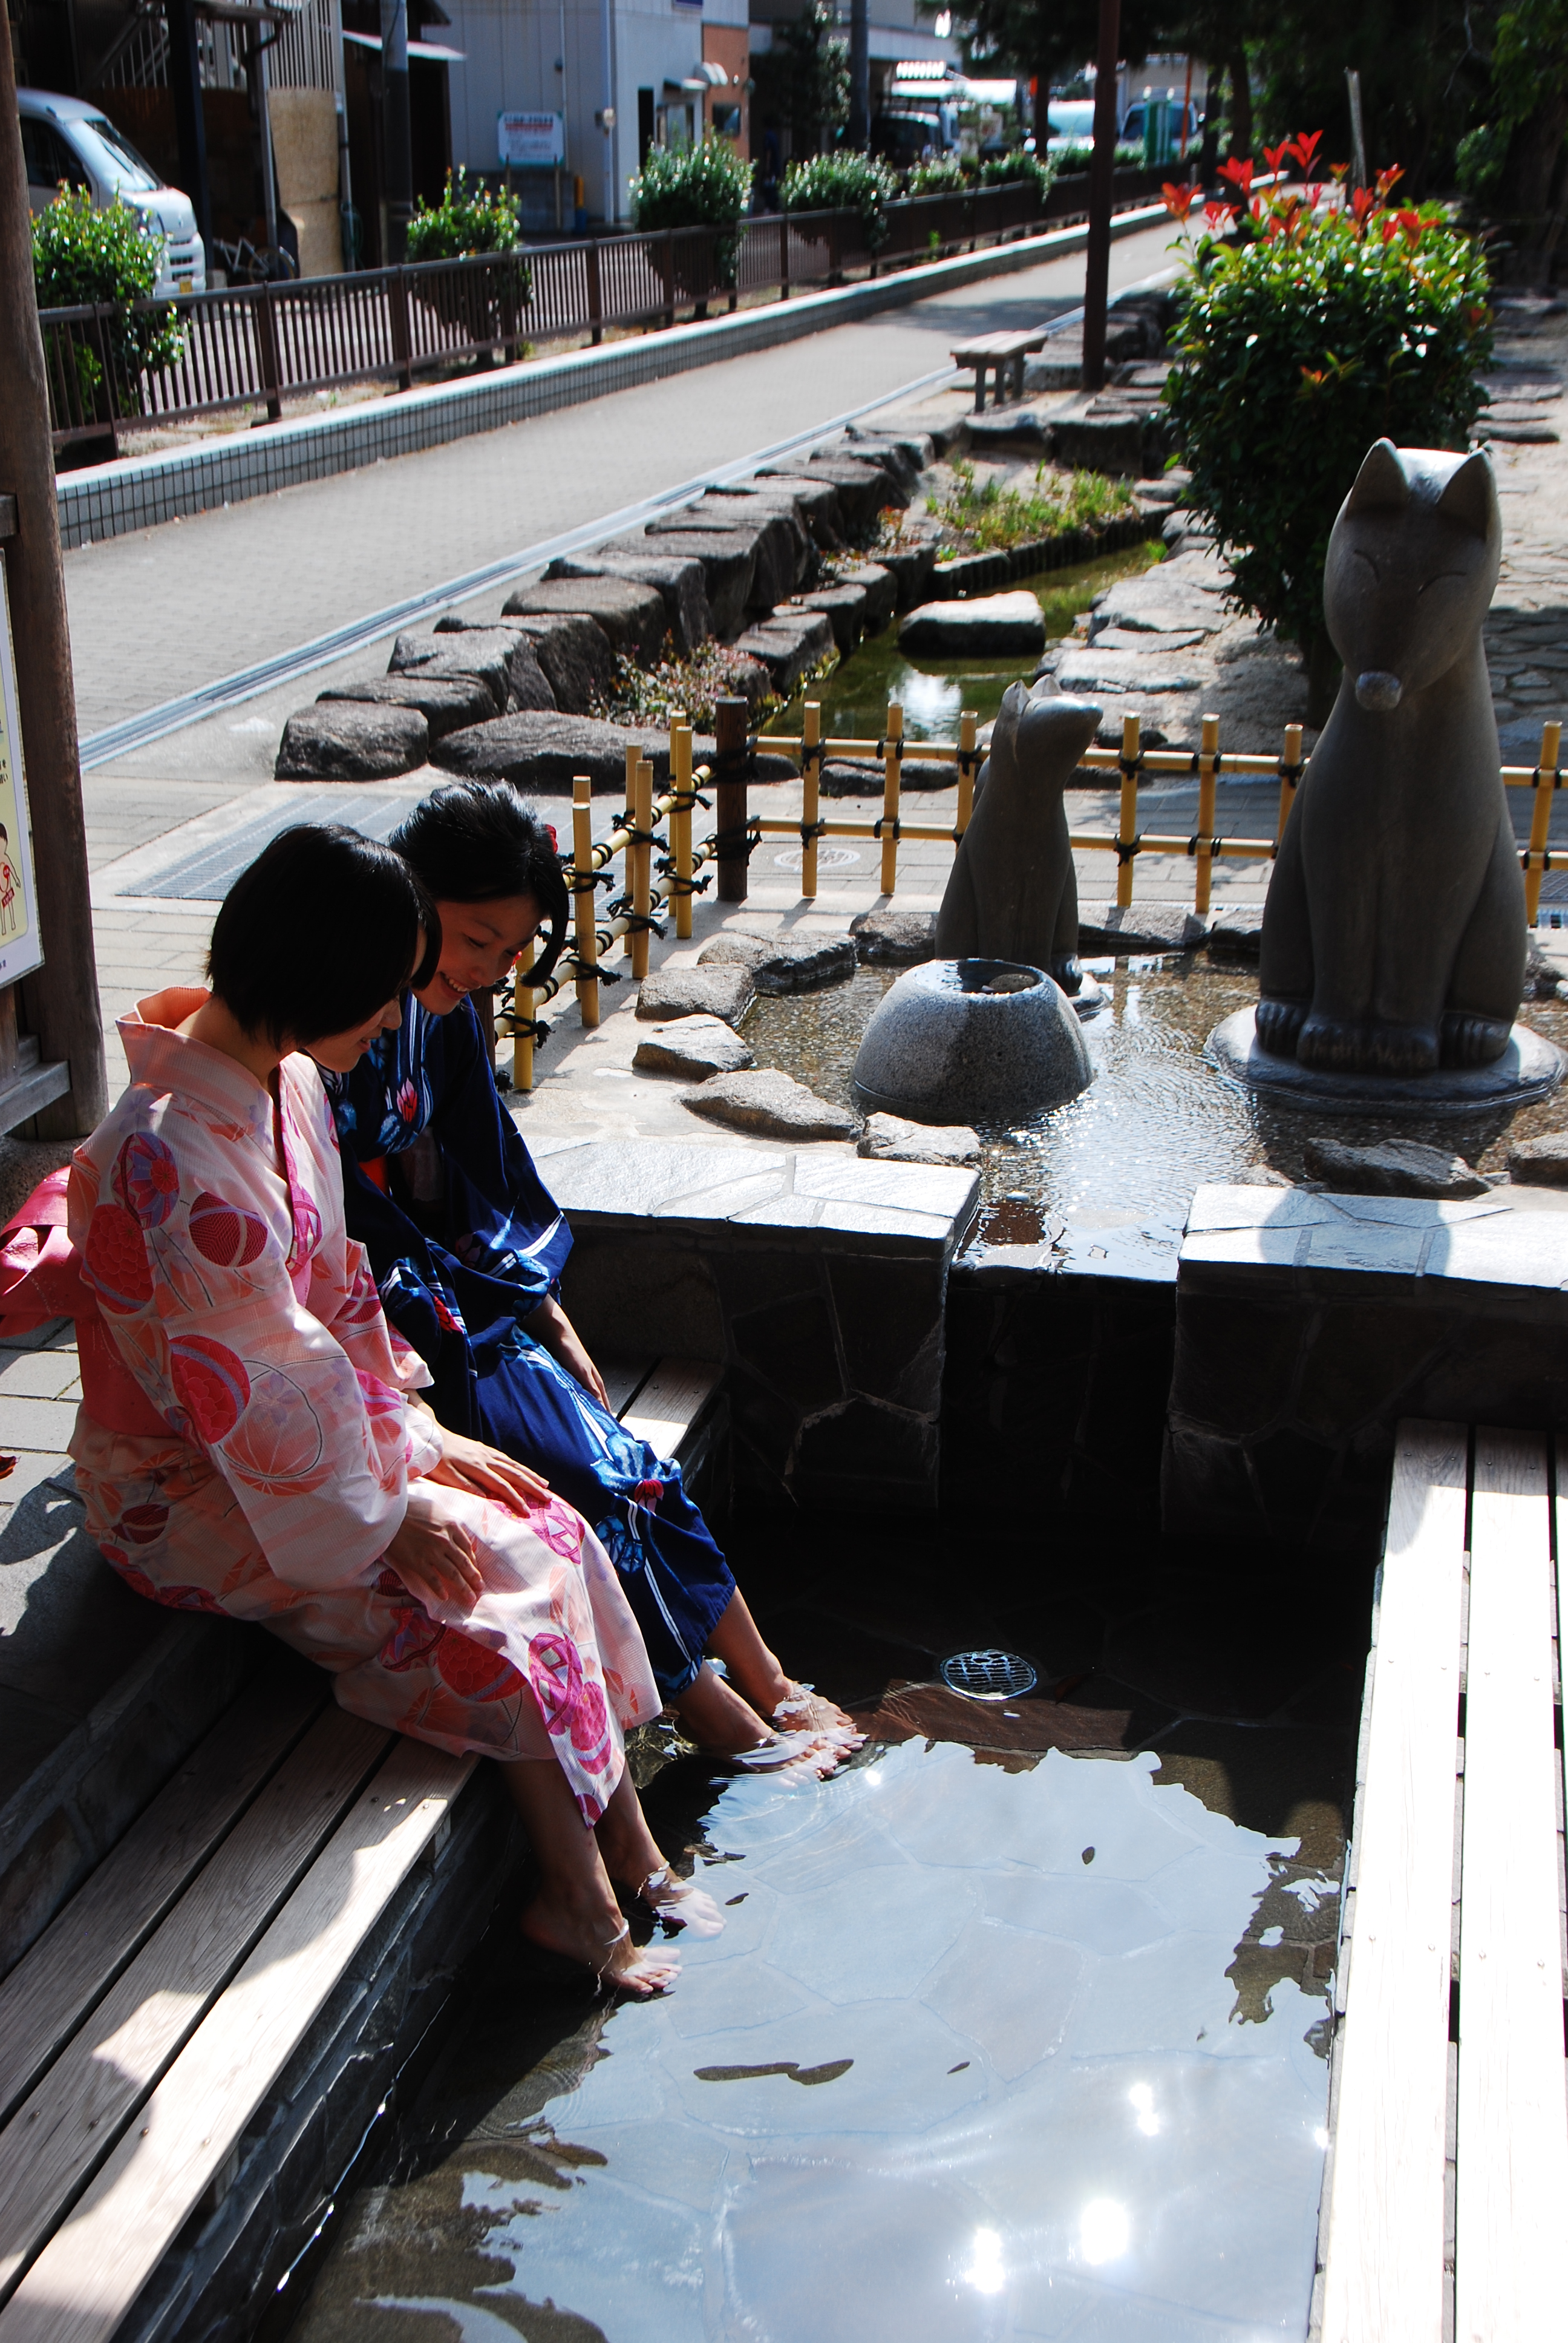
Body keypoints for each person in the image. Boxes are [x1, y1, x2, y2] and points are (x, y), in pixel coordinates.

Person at [56, 825, 722, 1994]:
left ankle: (632, 1853)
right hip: (179, 1484)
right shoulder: (164, 1161)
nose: (395, 1018)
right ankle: (581, 1897)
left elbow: (333, 1309)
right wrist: (387, 1508)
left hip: (307, 1450)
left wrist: (423, 1437)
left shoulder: (291, 1082)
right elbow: (251, 1386)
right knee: (487, 1597)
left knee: (554, 1530)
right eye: (381, 991)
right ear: (321, 976)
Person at [325, 779, 859, 1771]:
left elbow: (475, 1176)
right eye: (473, 938)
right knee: (580, 1487)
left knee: (622, 1463)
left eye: (507, 953)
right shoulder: (337, 1010)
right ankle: (726, 1724)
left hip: (453, 1288)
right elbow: (331, 1220)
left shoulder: (445, 1009)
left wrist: (542, 1306)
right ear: (409, 892)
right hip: (380, 1320)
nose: (484, 971)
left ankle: (773, 1682)